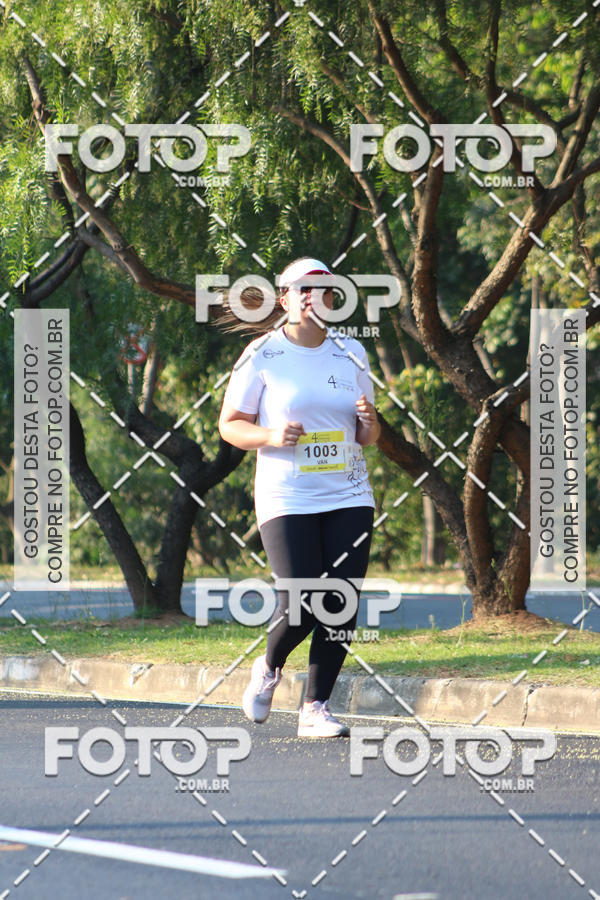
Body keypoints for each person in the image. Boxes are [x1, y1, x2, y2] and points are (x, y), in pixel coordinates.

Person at [218, 257, 380, 737]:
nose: (313, 297)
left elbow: (367, 436)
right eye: (302, 289)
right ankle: (269, 667)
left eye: (323, 290)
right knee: (303, 600)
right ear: (284, 297)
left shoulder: (351, 352)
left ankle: (315, 708)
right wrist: (270, 435)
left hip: (349, 492)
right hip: (287, 495)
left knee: (341, 599)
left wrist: (370, 422)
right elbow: (230, 425)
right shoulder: (261, 353)